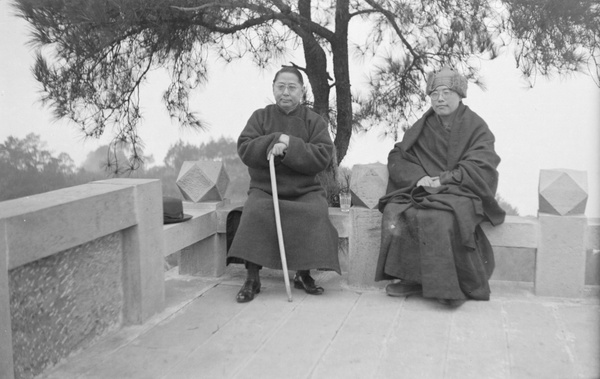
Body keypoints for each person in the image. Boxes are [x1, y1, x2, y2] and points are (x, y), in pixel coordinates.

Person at [375, 67, 506, 307]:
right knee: (398, 210)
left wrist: (444, 180)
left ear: (459, 94)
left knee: (439, 218)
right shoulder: (425, 123)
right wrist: (420, 178)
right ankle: (413, 278)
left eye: (446, 92)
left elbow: (482, 164)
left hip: (460, 190)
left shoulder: (476, 126)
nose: (440, 99)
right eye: (434, 93)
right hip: (426, 189)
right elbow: (399, 153)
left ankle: (449, 286)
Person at [227, 66, 340, 303]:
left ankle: (303, 273)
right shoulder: (260, 117)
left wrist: (290, 145)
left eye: (292, 87)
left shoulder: (314, 121)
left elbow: (322, 155)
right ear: (273, 88)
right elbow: (245, 148)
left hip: (304, 190)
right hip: (266, 189)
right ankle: (252, 277)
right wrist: (274, 141)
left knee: (315, 212)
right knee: (255, 210)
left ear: (302, 91)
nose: (286, 92)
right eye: (281, 87)